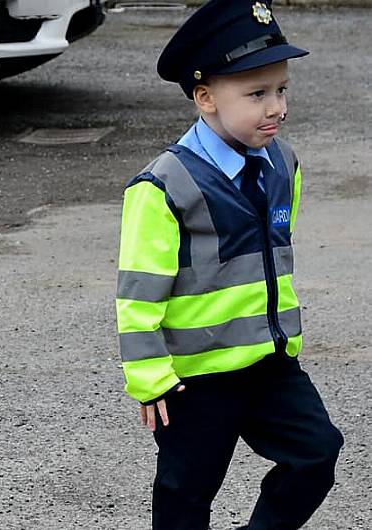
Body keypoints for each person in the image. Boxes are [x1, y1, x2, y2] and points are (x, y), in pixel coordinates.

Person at [115, 1, 343, 529]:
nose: (276, 108)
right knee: (186, 494)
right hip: (195, 381)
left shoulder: (283, 164)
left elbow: (275, 258)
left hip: (269, 364)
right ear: (205, 98)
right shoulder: (161, 186)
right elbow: (138, 292)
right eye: (257, 94)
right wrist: (150, 378)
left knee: (316, 453)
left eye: (281, 89)